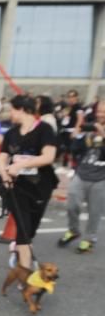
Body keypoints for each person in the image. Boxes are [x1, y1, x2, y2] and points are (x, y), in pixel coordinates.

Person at [0, 95, 58, 273]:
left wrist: (21, 164)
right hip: (17, 187)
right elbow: (2, 158)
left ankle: (19, 249)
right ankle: (25, 273)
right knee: (23, 229)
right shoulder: (11, 133)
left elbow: (49, 157)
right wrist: (4, 173)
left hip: (41, 186)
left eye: (12, 110)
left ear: (23, 109)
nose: (10, 114)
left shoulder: (44, 129)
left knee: (30, 229)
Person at [58, 103, 105, 254]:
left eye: (104, 112)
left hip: (101, 178)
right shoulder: (91, 127)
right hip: (82, 172)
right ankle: (74, 230)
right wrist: (78, 135)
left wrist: (103, 134)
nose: (100, 114)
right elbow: (76, 148)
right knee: (72, 204)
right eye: (99, 111)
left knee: (95, 211)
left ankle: (89, 238)